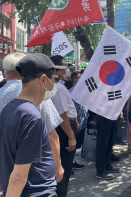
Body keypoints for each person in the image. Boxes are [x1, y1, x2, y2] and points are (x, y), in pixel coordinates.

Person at [0, 53, 62, 197]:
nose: (54, 84)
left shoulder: (10, 108)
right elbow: (19, 177)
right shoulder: (32, 116)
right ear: (43, 79)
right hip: (36, 192)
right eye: (54, 79)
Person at [50, 55, 78, 197]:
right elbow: (63, 115)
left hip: (63, 127)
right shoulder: (58, 88)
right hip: (64, 130)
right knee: (63, 170)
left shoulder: (57, 87)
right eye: (64, 65)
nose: (67, 68)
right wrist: (71, 137)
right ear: (57, 69)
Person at [70, 72, 87, 170]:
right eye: (80, 78)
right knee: (72, 143)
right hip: (75, 123)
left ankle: (73, 162)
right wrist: (76, 123)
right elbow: (71, 111)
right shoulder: (72, 93)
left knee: (77, 144)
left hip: (82, 122)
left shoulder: (82, 92)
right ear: (75, 80)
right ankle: (70, 165)